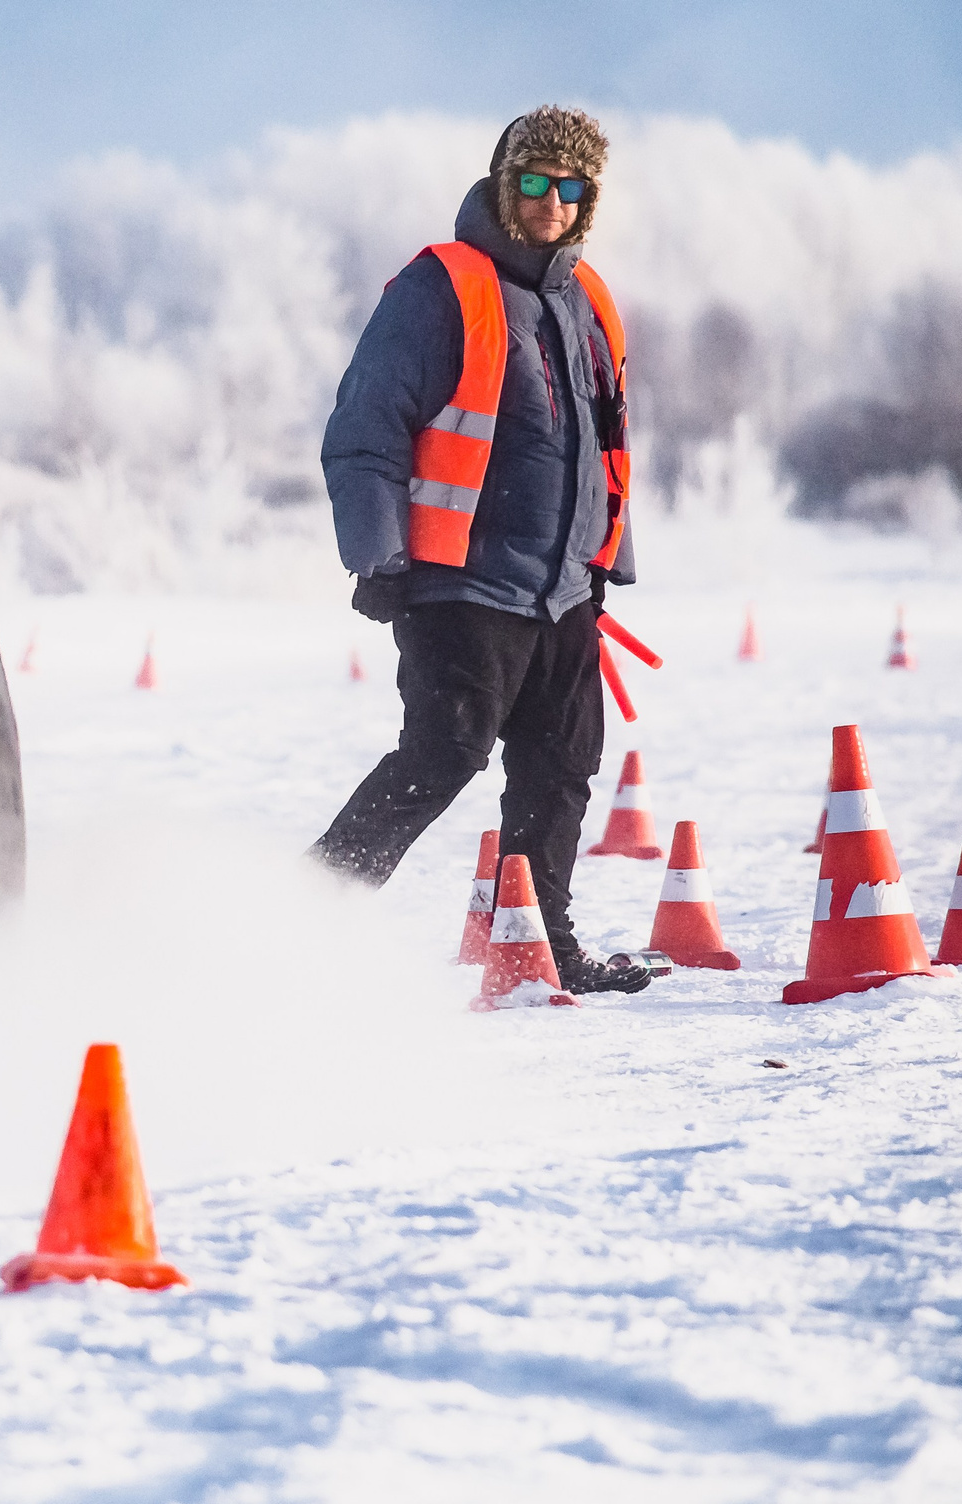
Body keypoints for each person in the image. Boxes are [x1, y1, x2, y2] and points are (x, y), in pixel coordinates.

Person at [308, 106, 653, 995]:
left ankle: (539, 948)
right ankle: (304, 913)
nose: (550, 200)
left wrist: (609, 558)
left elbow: (603, 443)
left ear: (588, 198)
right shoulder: (442, 287)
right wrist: (378, 556)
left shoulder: (591, 301)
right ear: (506, 186)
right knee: (443, 753)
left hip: (566, 590)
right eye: (533, 181)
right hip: (459, 585)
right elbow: (364, 427)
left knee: (562, 765)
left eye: (568, 186)